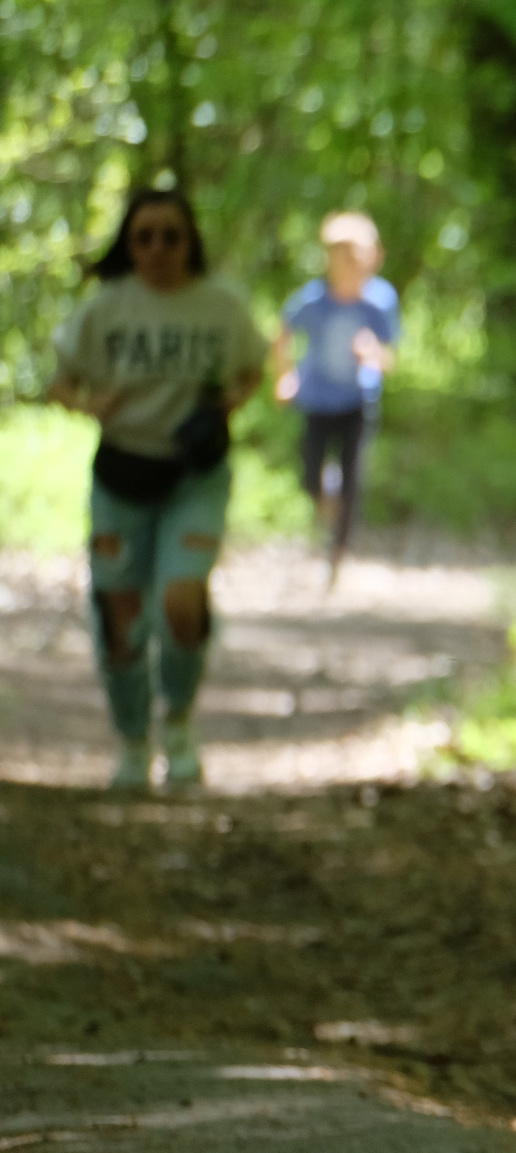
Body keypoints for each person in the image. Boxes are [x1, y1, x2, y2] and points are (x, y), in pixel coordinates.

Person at [46, 189, 266, 791]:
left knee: (181, 596)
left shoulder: (221, 306)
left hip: (192, 477)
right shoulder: (105, 309)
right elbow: (59, 380)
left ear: (190, 240)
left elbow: (254, 366)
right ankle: (131, 737)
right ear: (129, 244)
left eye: (171, 235)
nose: (158, 248)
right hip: (121, 474)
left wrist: (226, 403)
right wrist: (91, 404)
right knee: (120, 612)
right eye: (144, 236)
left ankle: (179, 722)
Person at [273, 210, 400, 582]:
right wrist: (285, 378)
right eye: (343, 255)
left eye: (360, 254)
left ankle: (338, 555)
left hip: (358, 403)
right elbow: (282, 337)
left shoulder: (380, 302)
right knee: (311, 475)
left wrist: (373, 353)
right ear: (329, 259)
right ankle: (324, 501)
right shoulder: (311, 302)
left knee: (353, 480)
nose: (353, 263)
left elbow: (389, 357)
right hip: (317, 402)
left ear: (375, 256)